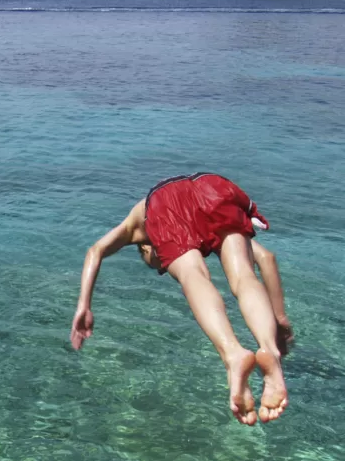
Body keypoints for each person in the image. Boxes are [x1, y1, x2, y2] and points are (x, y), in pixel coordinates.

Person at [70, 173, 293, 426]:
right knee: (243, 275)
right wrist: (279, 319)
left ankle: (233, 354)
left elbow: (95, 250)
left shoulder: (135, 228)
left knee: (191, 275)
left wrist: (83, 306)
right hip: (213, 187)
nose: (161, 267)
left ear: (146, 249)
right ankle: (269, 350)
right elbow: (266, 259)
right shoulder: (198, 222)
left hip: (165, 202)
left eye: (156, 265)